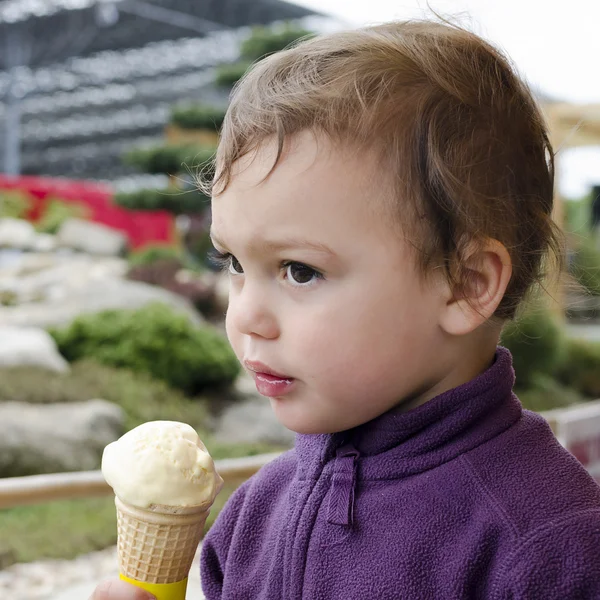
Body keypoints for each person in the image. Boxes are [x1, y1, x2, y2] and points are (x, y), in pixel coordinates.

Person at [90, 19, 600, 600]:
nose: (246, 316)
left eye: (299, 271)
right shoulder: (254, 514)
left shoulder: (545, 549)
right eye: (232, 262)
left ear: (465, 283)